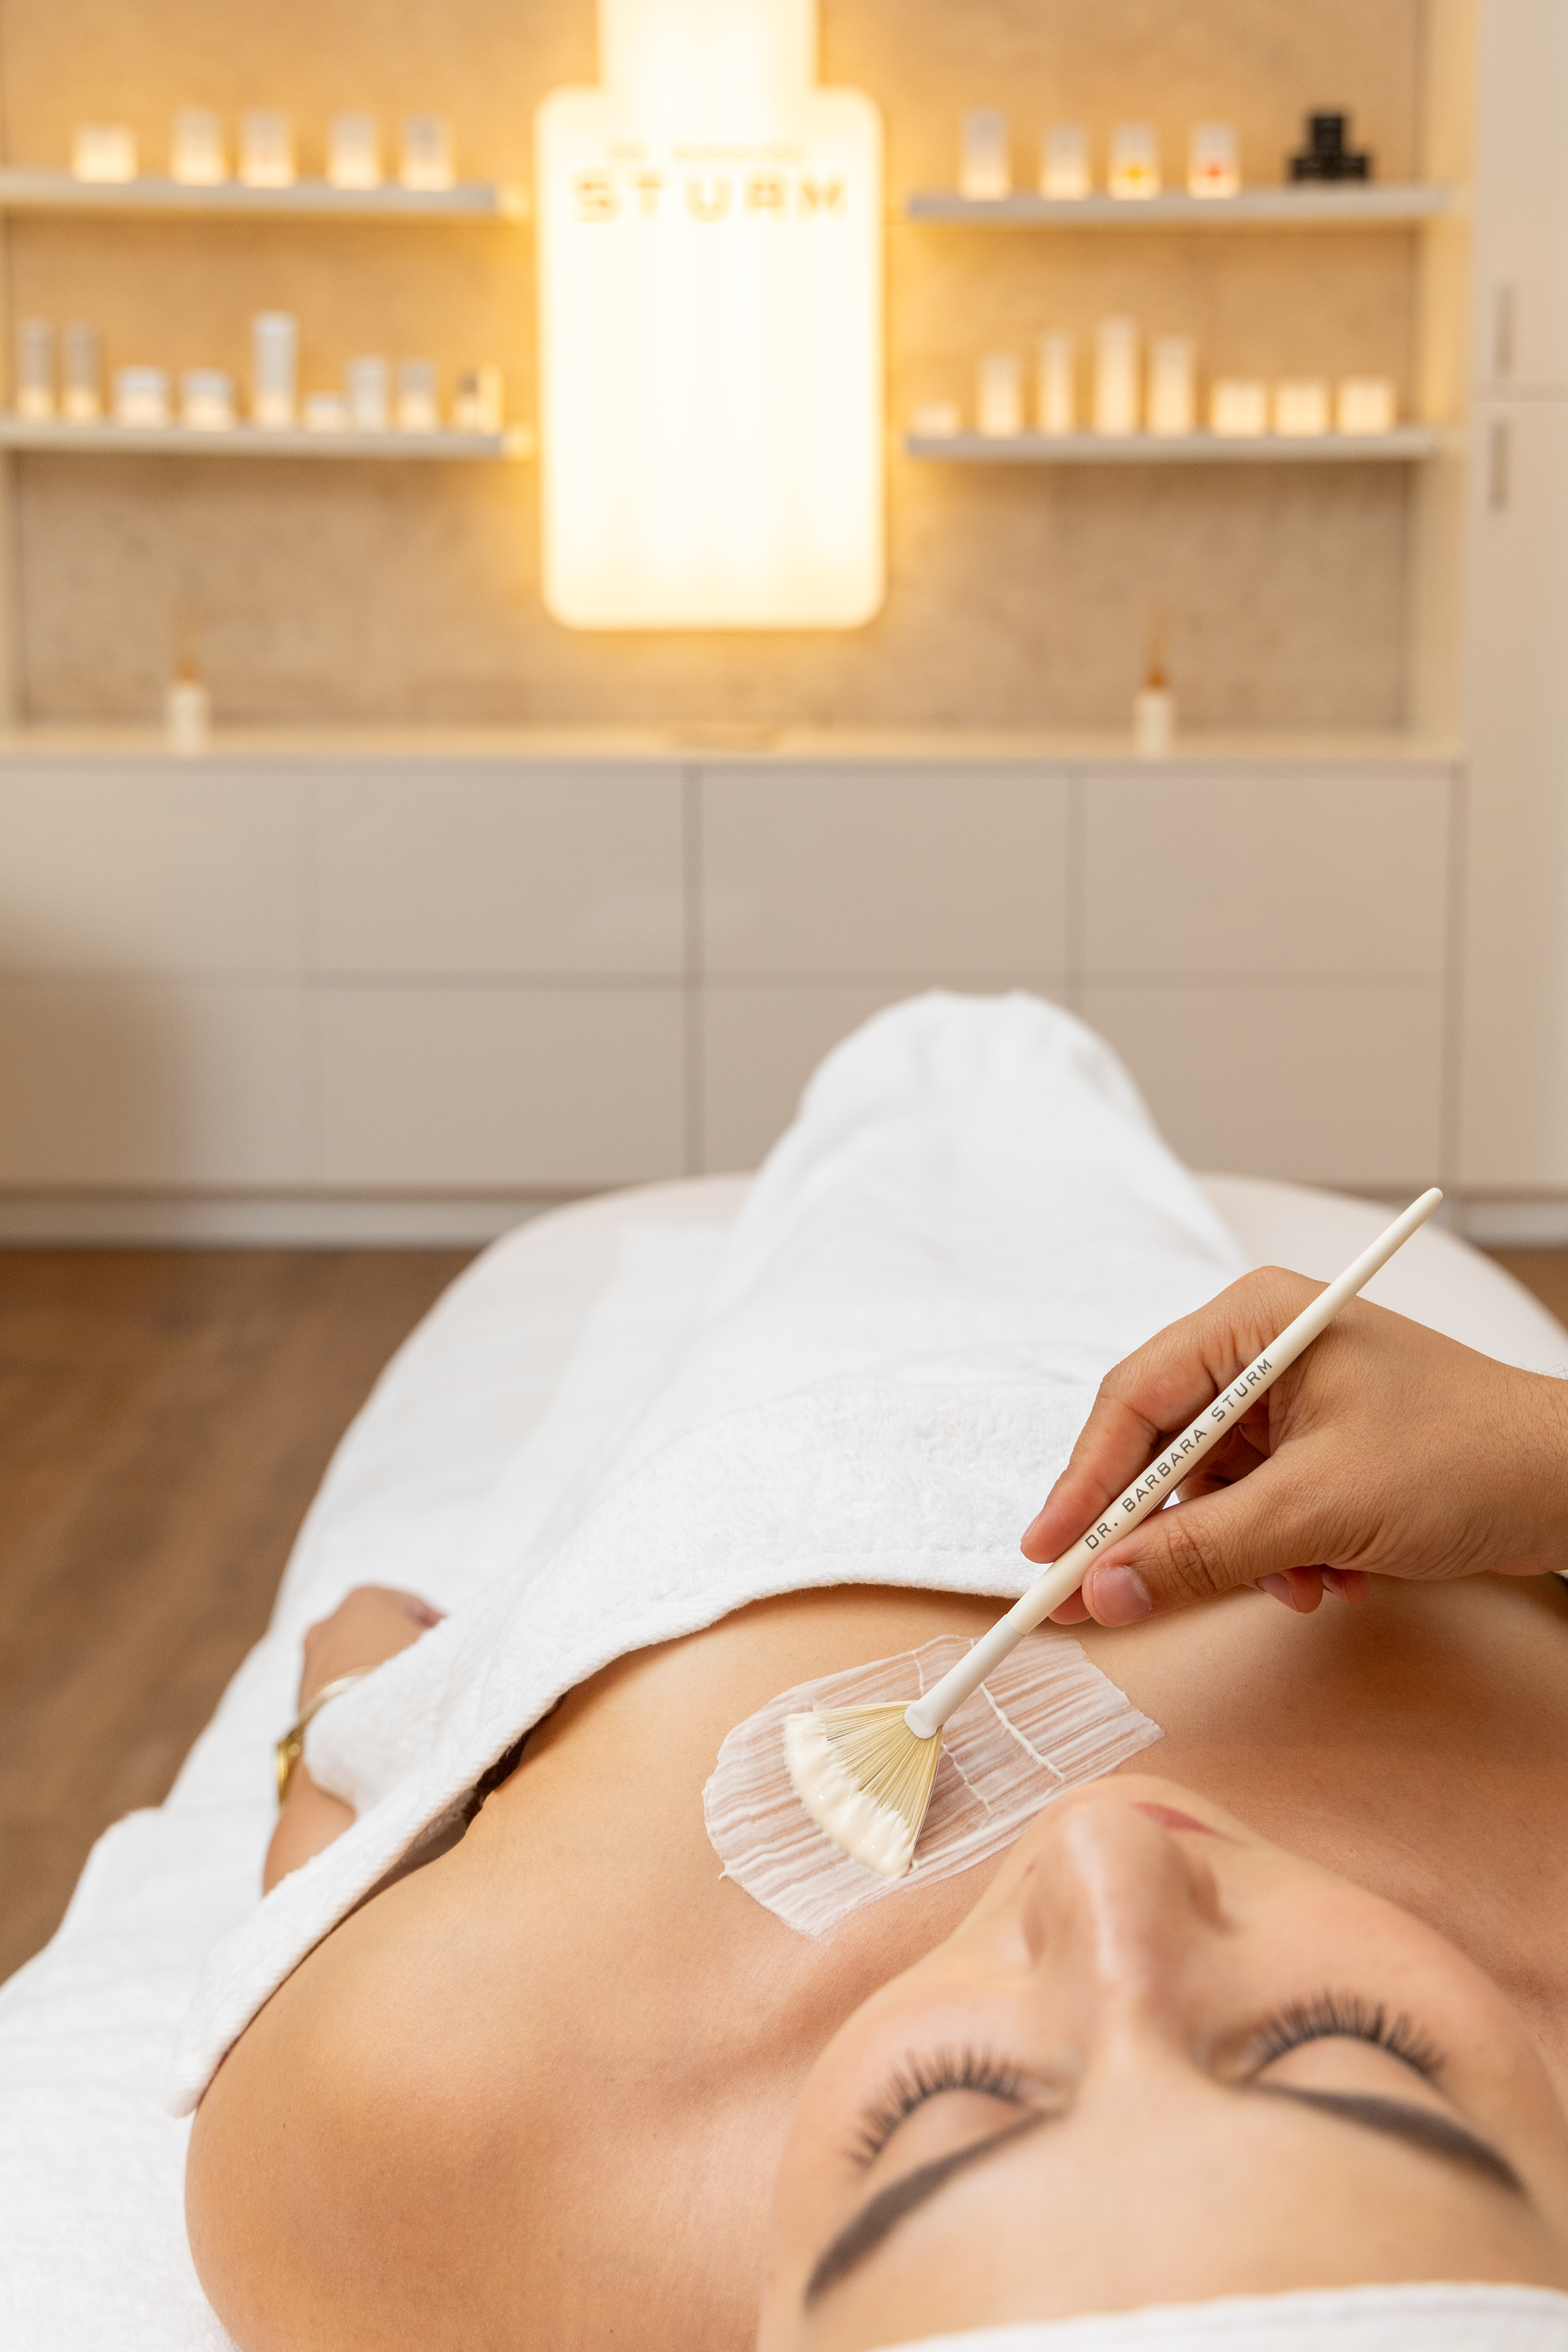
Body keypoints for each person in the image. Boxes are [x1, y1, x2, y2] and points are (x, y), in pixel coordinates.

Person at [181, 995, 1568, 2352]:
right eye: (1342, 2043)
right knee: (1045, 1093)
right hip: (1230, 1414)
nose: (1097, 1858)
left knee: (890, 1106)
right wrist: (1540, 1454)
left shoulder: (435, 2180)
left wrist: (340, 1674)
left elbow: (335, 1861)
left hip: (792, 1409)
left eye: (952, 2104)